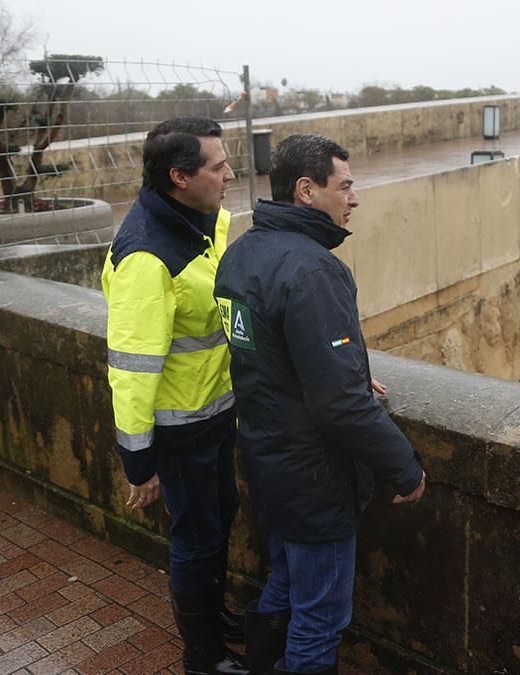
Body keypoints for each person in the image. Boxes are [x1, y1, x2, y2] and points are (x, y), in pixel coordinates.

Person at [214, 134, 426, 675]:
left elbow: (270, 360)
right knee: (320, 618)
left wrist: (352, 371)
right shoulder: (312, 270)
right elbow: (337, 405)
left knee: (284, 581)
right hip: (314, 478)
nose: (354, 198)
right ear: (307, 190)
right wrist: (403, 468)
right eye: (346, 185)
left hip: (268, 459)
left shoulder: (242, 254)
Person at [102, 117, 248, 675]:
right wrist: (139, 460)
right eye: (218, 166)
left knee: (222, 514)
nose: (231, 174)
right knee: (196, 534)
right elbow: (132, 367)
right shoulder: (147, 255)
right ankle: (202, 655)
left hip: (214, 410)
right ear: (179, 177)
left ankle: (215, 616)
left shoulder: (200, 223)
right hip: (179, 425)